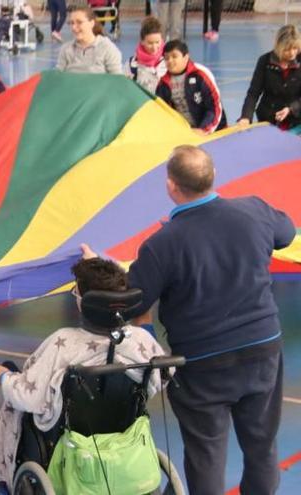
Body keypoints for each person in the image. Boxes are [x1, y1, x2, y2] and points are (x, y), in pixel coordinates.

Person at [81, 145, 295, 495]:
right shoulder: (254, 210)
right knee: (262, 448)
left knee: (206, 455)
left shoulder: (162, 244)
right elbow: (285, 233)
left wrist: (95, 267)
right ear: (211, 177)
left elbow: (133, 302)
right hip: (262, 350)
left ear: (171, 185)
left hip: (203, 364)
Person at [0, 258, 166, 492]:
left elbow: (30, 397)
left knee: (14, 385)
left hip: (67, 450)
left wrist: (3, 378)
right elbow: (163, 377)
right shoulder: (140, 341)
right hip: (126, 440)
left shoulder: (61, 344)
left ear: (83, 301)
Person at [156, 39, 227, 135]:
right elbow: (162, 114)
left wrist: (203, 130)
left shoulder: (201, 74)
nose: (170, 61)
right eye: (167, 58)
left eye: (174, 56)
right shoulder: (163, 83)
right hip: (185, 134)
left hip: (212, 132)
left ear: (186, 57)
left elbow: (214, 108)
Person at [238, 25, 301, 130]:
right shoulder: (264, 61)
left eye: (295, 48)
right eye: (287, 49)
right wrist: (246, 117)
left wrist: (291, 109)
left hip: (296, 121)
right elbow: (253, 93)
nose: (292, 53)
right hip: (268, 119)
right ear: (278, 46)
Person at [55, 6, 122, 74]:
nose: (74, 27)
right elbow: (57, 76)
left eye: (79, 22)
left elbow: (117, 80)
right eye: (72, 23)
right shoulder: (66, 49)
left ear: (91, 23)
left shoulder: (108, 48)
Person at [125, 16, 166, 94]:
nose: (154, 47)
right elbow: (124, 88)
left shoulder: (167, 62)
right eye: (150, 43)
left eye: (157, 42)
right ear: (142, 41)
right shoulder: (131, 64)